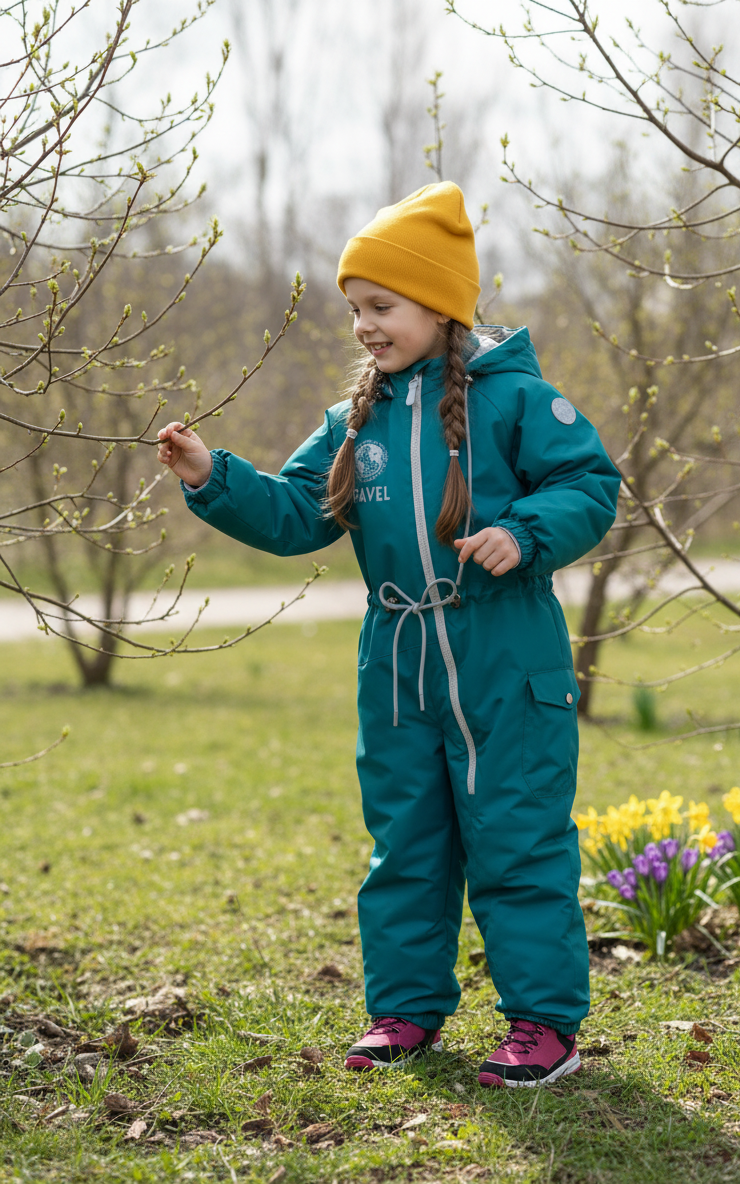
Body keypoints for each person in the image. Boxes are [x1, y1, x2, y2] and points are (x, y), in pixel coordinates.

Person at [157, 182, 620, 1088]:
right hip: (398, 665)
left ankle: (542, 1025)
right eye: (355, 310)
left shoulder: (516, 398)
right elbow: (297, 514)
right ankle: (405, 1009)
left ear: (441, 304)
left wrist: (524, 533)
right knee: (404, 840)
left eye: (383, 306)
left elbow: (589, 485)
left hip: (506, 657)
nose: (365, 326)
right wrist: (215, 475)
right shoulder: (353, 422)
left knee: (515, 837)